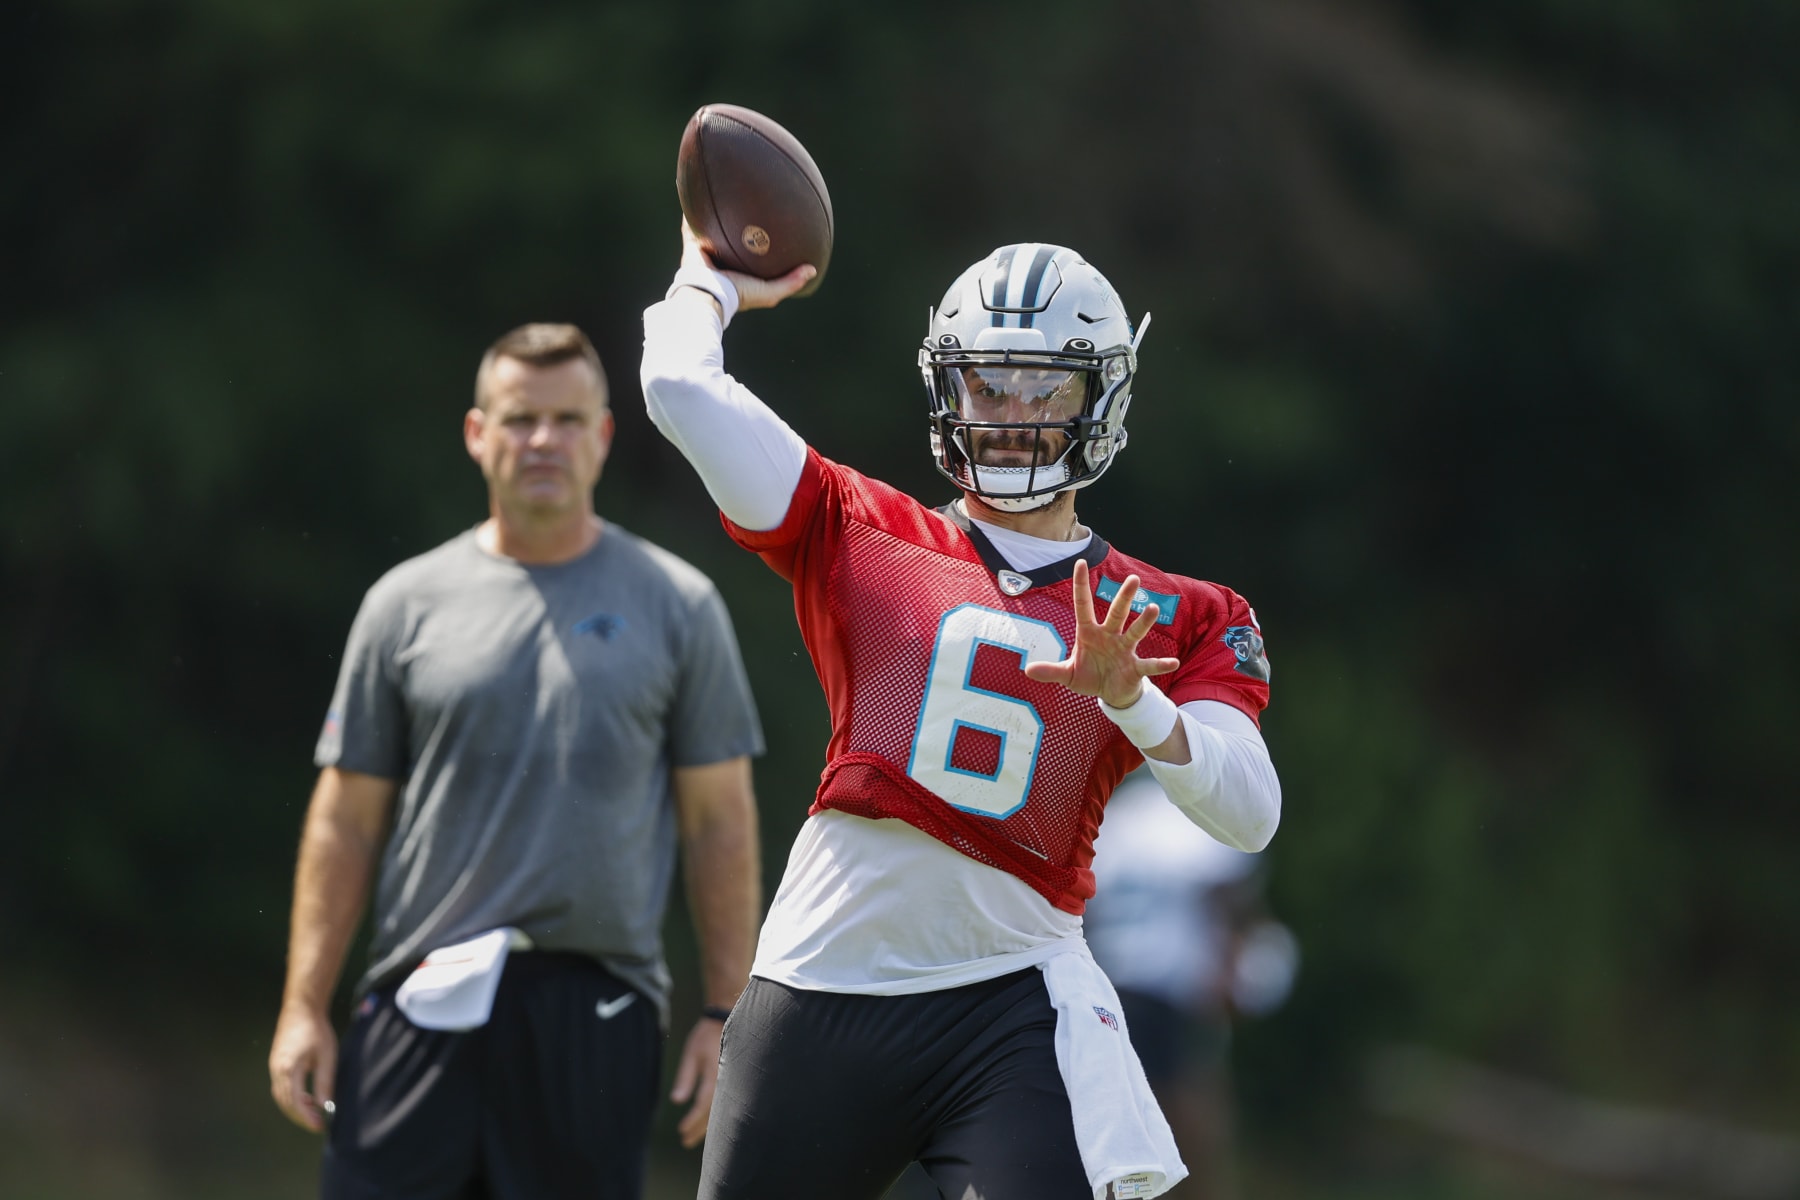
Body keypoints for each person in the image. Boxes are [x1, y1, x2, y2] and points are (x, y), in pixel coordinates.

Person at [640, 229, 1282, 1200]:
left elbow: (1249, 811)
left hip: (1011, 1000)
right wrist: (708, 276)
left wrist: (1134, 700)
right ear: (948, 389)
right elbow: (681, 389)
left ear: (1099, 398)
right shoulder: (862, 531)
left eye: (1045, 388)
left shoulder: (1176, 612)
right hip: (826, 981)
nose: (1014, 416)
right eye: (989, 385)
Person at [268, 322, 765, 1200]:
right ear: (477, 434)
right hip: (420, 999)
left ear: (605, 437)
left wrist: (727, 1016)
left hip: (595, 1007)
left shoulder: (678, 605)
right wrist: (305, 1005)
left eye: (570, 419)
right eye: (521, 418)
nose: (545, 440)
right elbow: (346, 818)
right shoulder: (404, 605)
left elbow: (719, 823)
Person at [1084, 769, 1300, 1199]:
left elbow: (1084, 906)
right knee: (1196, 1130)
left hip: (1104, 990)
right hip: (1170, 995)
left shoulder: (1117, 816)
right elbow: (1227, 901)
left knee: (1113, 1137)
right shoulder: (1203, 821)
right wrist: (1229, 974)